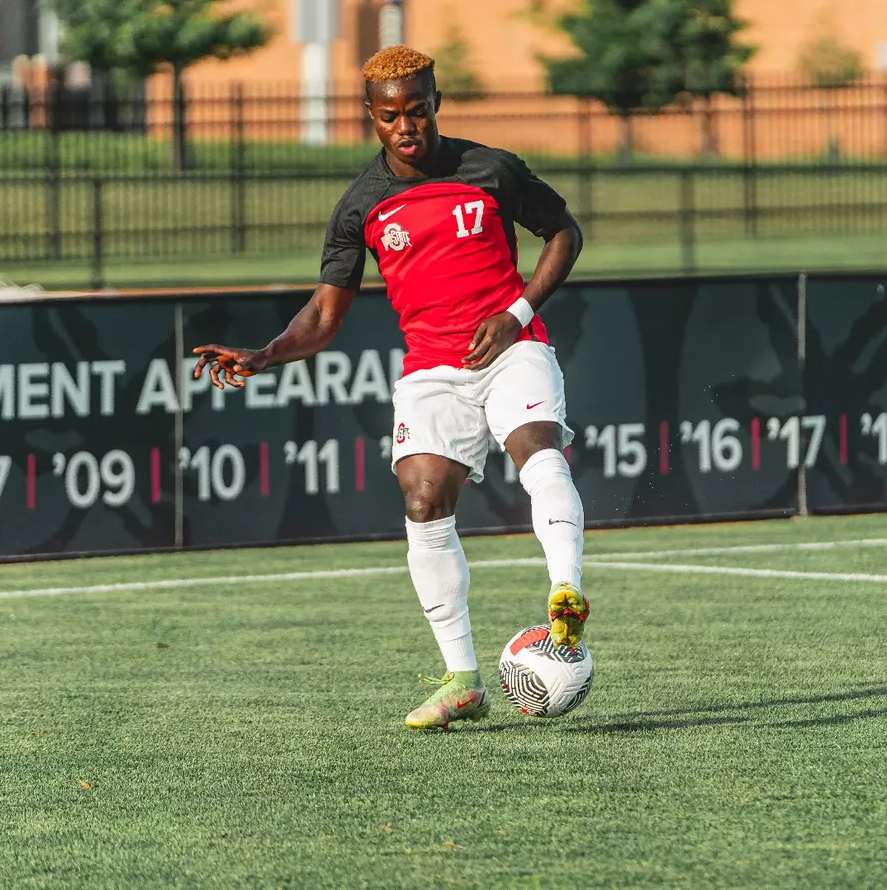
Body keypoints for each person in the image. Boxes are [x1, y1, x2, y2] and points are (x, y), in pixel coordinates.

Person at [191, 46, 589, 732]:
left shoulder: (491, 170)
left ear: (436, 104)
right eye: (390, 115)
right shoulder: (361, 206)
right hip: (432, 370)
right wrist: (265, 355)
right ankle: (463, 681)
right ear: (370, 117)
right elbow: (325, 315)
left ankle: (566, 595)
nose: (406, 126)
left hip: (513, 347)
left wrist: (516, 313)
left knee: (537, 451)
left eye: (417, 110)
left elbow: (564, 233)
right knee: (422, 498)